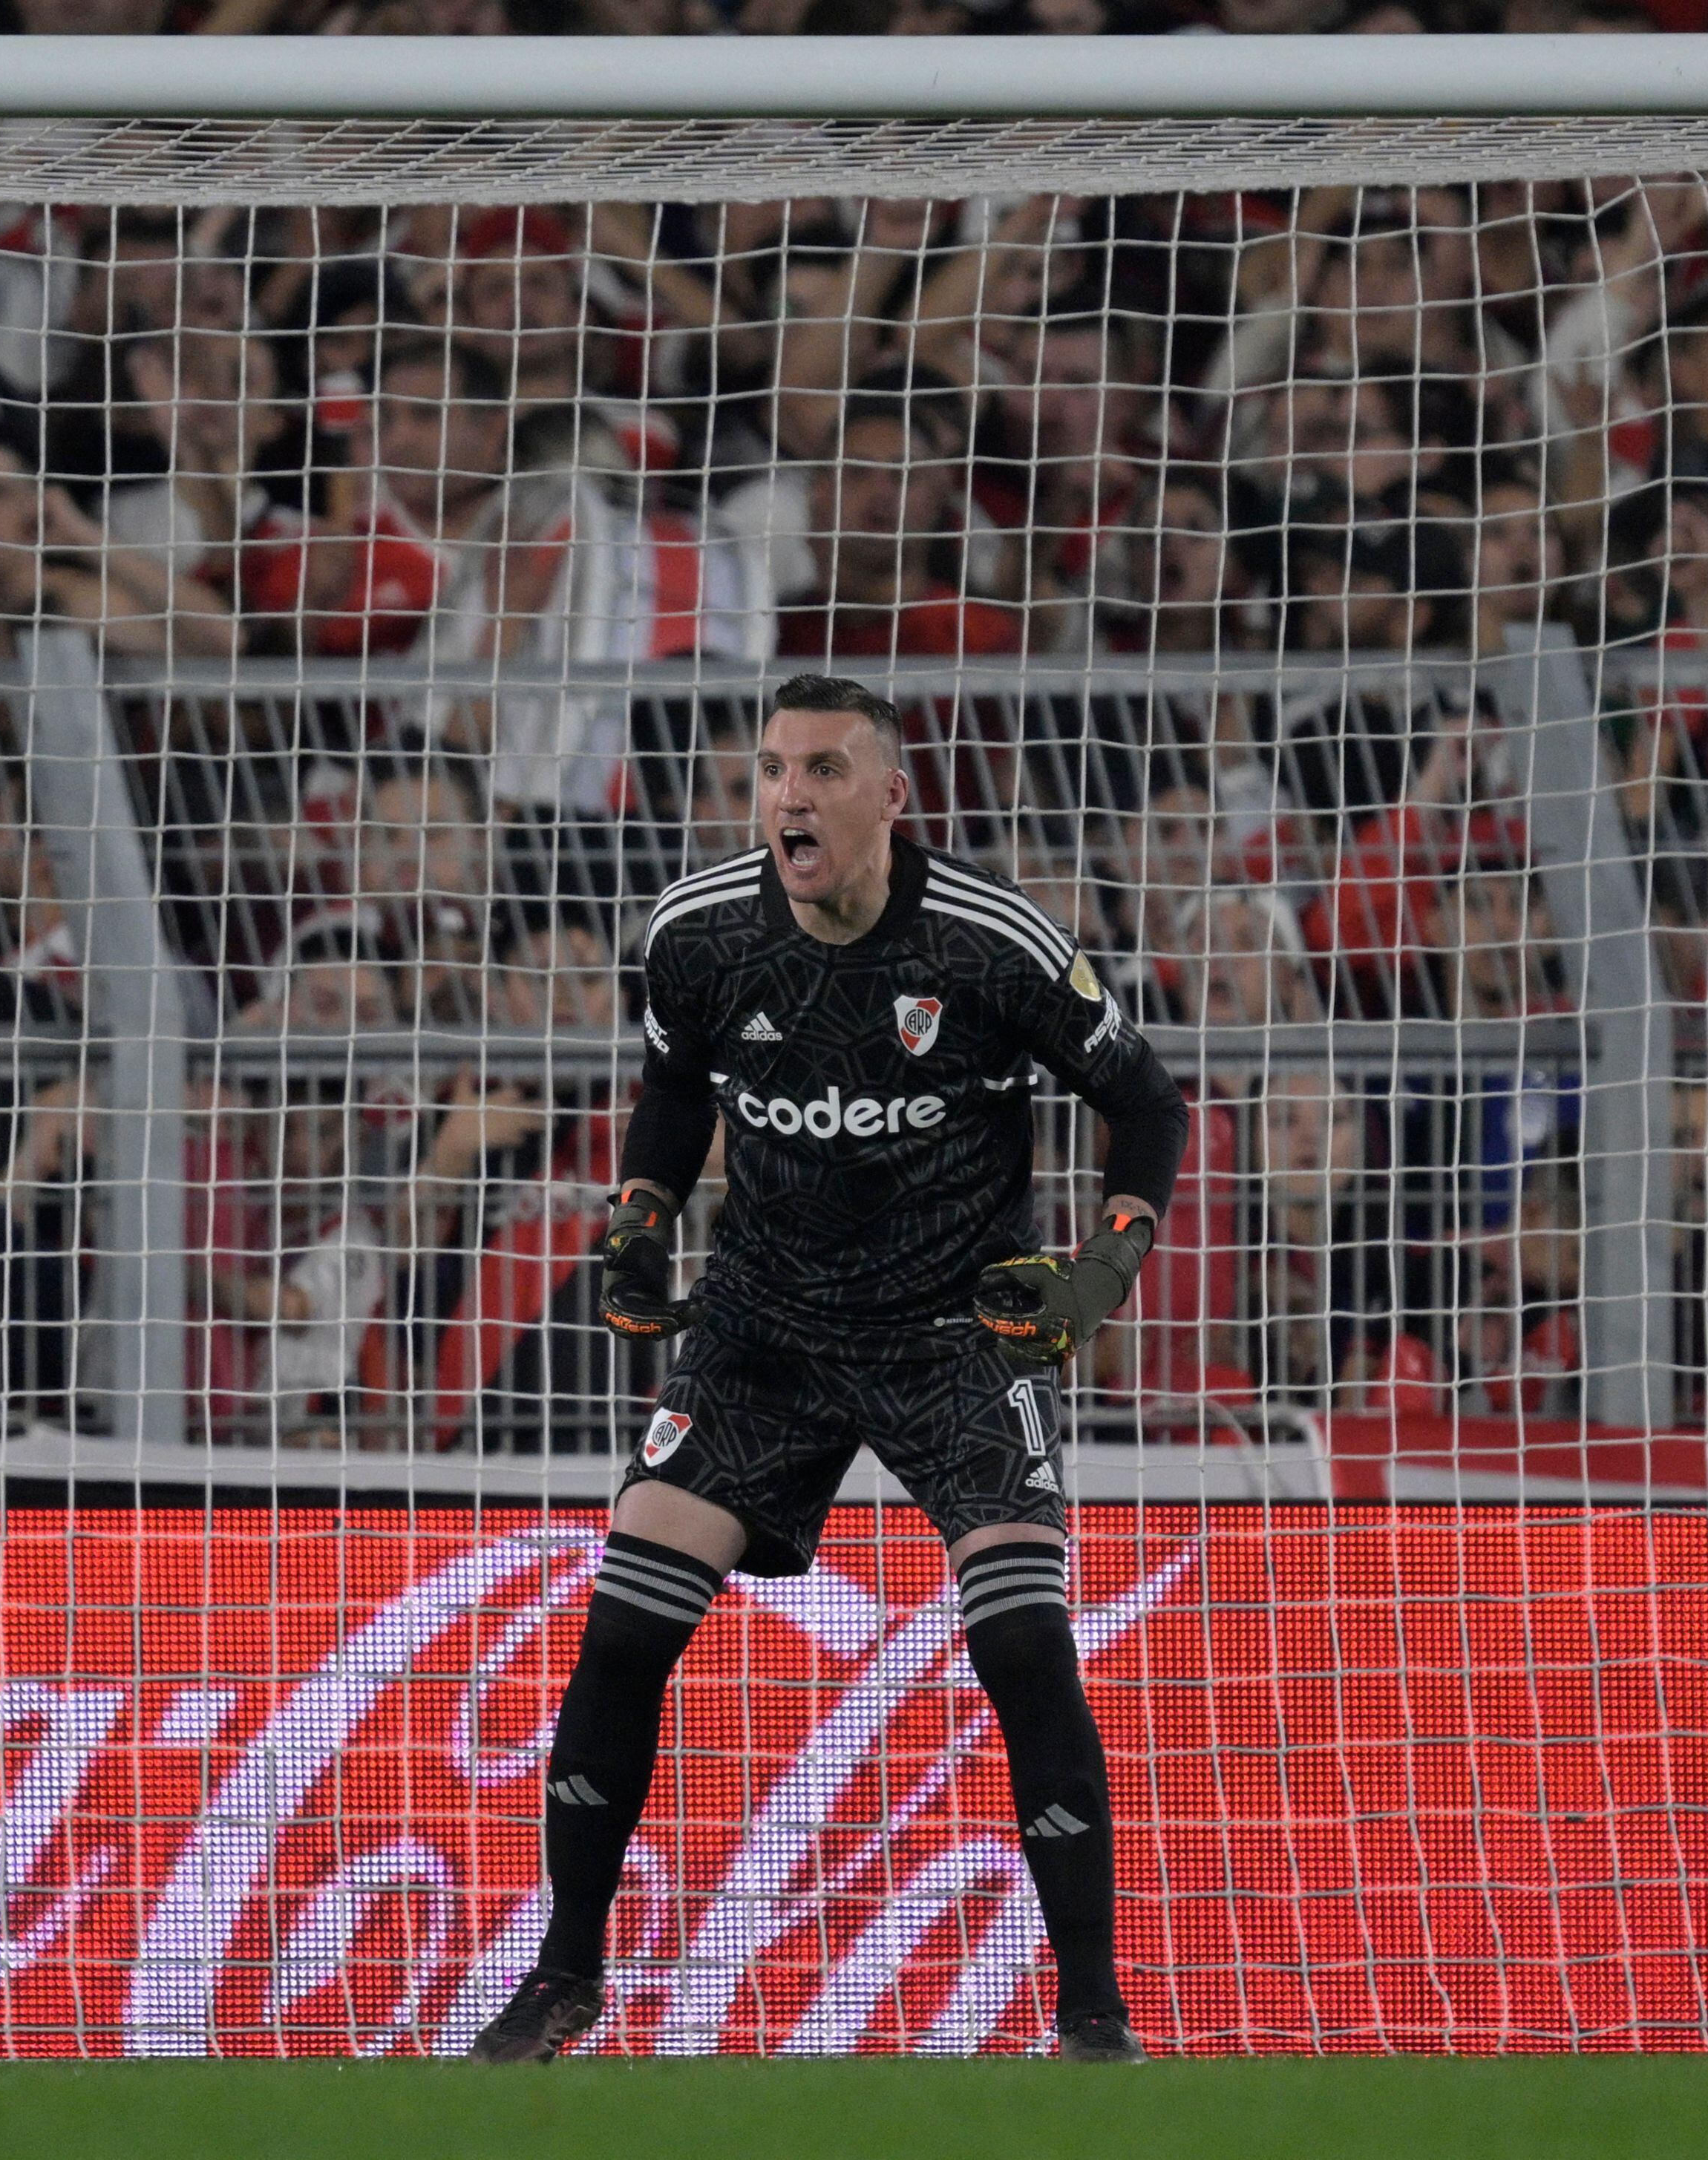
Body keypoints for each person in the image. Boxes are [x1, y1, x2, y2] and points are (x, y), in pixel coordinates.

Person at [468, 674, 1188, 2065]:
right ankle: (564, 1976)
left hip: (957, 1329)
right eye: (773, 769)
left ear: (892, 796)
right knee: (624, 1624)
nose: (789, 796)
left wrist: (1103, 1271)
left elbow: (1146, 1101)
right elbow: (676, 1088)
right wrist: (640, 1217)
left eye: (823, 769)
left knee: (1022, 1639)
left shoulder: (990, 940)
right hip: (766, 1327)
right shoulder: (698, 932)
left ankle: (1094, 2014)